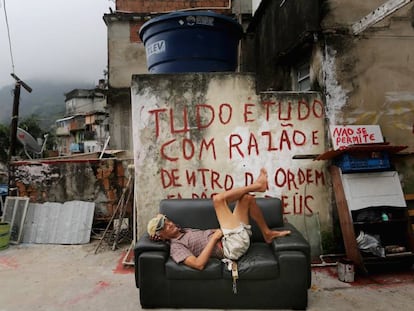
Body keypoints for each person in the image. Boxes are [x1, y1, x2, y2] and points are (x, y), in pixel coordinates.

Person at [147, 168, 291, 271]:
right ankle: (258, 186)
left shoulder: (182, 231)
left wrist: (158, 231)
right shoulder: (176, 247)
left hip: (230, 238)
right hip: (230, 247)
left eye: (168, 221)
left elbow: (162, 223)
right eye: (165, 227)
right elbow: (198, 264)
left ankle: (267, 233)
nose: (170, 224)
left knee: (247, 199)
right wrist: (214, 238)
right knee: (218, 200)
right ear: (162, 235)